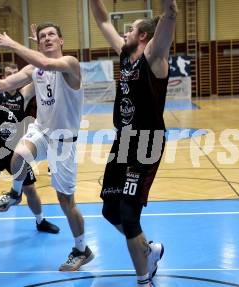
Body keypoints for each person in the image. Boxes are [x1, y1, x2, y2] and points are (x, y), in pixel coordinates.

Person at [0, 21, 93, 271]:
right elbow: (0, 86)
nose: (48, 38)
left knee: (66, 202)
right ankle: (15, 193)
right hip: (41, 131)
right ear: (38, 43)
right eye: (43, 36)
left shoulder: (70, 64)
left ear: (61, 41)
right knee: (18, 155)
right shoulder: (34, 70)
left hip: (63, 140)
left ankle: (81, 249)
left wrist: (11, 44)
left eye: (52, 34)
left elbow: (48, 63)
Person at [90, 0, 177, 286]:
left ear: (143, 36)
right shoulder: (126, 56)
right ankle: (148, 250)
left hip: (146, 143)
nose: (124, 33)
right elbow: (103, 21)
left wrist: (169, 7)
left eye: (130, 30)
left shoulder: (154, 57)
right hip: (123, 141)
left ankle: (144, 281)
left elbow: (171, 14)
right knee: (109, 210)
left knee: (128, 215)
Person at [0, 16, 59, 249]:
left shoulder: (24, 95)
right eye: (7, 72)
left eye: (15, 70)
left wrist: (39, 43)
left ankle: (40, 220)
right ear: (4, 76)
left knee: (31, 190)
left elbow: (42, 67)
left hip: (16, 151)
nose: (11, 74)